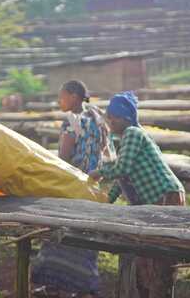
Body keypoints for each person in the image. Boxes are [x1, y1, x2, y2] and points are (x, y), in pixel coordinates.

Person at [88, 91, 185, 298]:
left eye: (113, 116)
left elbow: (121, 168)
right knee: (144, 256)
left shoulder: (133, 133)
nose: (110, 120)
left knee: (160, 258)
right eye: (109, 116)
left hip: (166, 197)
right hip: (153, 201)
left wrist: (100, 172)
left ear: (125, 117)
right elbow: (122, 179)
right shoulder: (126, 139)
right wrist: (104, 200)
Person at [31, 80, 115, 298]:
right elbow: (106, 148)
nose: (60, 100)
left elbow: (65, 157)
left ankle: (55, 286)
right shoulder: (97, 116)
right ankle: (84, 285)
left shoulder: (71, 121)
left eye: (62, 96)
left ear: (74, 96)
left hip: (72, 183)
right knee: (85, 234)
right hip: (93, 184)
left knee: (60, 231)